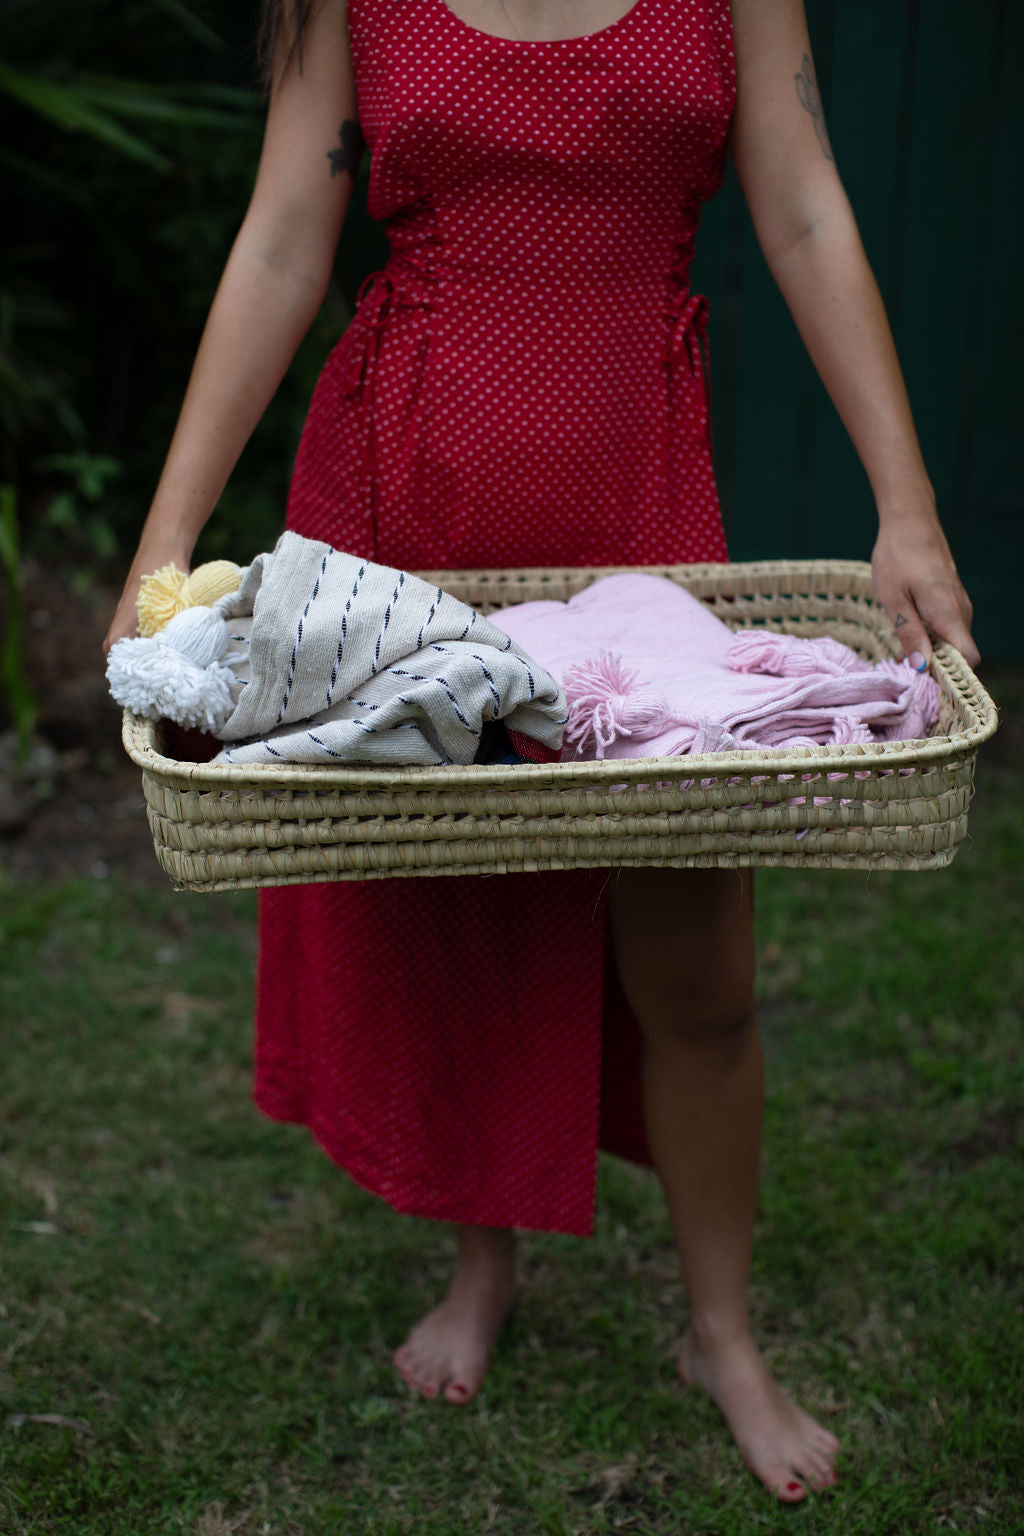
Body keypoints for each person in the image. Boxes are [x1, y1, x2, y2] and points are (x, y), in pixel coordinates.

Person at [103, 0, 979, 1503]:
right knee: (460, 907)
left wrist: (906, 505)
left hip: (645, 525)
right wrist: (165, 537)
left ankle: (723, 1335)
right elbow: (278, 242)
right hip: (410, 503)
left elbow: (810, 206)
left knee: (696, 959)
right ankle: (481, 1253)